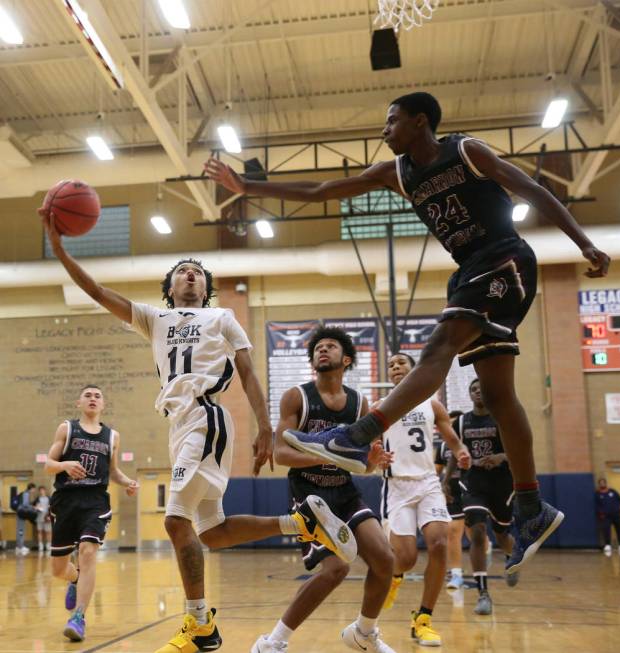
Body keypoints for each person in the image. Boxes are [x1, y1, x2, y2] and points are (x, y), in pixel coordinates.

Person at [206, 91, 611, 574]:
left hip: (505, 258)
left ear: (421, 123)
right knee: (501, 395)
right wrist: (251, 187)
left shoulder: (466, 151)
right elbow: (322, 191)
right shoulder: (396, 172)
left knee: (440, 344)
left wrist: (584, 243)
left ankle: (360, 431)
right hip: (470, 270)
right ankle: (530, 506)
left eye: (392, 121)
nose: (385, 129)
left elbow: (533, 191)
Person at [42, 214, 357, 653]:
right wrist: (59, 249)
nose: (189, 275)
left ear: (205, 288)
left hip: (206, 418)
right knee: (211, 532)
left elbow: (247, 370)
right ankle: (300, 522)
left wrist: (266, 426)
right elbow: (96, 291)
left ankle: (199, 624)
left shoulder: (223, 316)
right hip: (180, 425)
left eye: (197, 273)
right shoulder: (153, 319)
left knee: (174, 520)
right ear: (170, 288)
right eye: (181, 272)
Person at [254, 326, 394, 653]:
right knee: (336, 569)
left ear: (345, 359)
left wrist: (373, 460)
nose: (322, 350)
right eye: (318, 347)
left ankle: (363, 633)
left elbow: (363, 462)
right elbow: (281, 452)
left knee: (385, 559)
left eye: (330, 346)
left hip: (344, 492)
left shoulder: (360, 403)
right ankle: (273, 642)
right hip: (308, 495)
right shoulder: (297, 397)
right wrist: (321, 454)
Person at [379, 352, 470, 647]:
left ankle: (423, 620)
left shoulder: (431, 403)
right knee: (405, 558)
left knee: (440, 543)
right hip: (398, 487)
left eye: (401, 363)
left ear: (413, 368)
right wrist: (375, 454)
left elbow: (449, 434)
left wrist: (460, 451)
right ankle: (395, 576)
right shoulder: (380, 407)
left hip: (428, 483)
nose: (395, 368)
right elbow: (369, 441)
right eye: (391, 365)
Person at [45, 384, 139, 641]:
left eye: (97, 396)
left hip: (96, 502)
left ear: (103, 404)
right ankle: (73, 579)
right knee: (57, 569)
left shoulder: (112, 436)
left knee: (87, 551)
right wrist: (64, 464)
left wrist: (128, 482)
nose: (93, 399)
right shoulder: (67, 428)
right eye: (88, 395)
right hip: (65, 501)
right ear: (79, 403)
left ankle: (78, 617)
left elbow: (113, 472)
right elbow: (48, 465)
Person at [445, 379, 518, 616]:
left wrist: (502, 457)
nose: (477, 392)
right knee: (477, 531)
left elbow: (519, 449)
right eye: (473, 389)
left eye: (481, 388)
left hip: (501, 483)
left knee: (501, 533)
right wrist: (447, 480)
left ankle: (511, 554)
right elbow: (455, 452)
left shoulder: (502, 417)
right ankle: (483, 594)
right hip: (473, 483)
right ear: (470, 395)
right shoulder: (463, 421)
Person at [435, 410, 466, 590]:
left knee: (473, 532)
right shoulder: (442, 448)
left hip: (471, 490)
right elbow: (435, 472)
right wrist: (441, 488)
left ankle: (486, 546)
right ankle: (456, 574)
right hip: (452, 492)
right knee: (453, 531)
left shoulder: (467, 444)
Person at [595, 478, 620, 557]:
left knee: (619, 529)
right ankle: (608, 545)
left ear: (606, 483)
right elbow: (597, 505)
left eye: (603, 482)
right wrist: (600, 513)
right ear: (599, 484)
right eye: (600, 483)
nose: (602, 484)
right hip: (606, 516)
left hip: (616, 514)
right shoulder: (598, 494)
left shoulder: (613, 491)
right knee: (606, 530)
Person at [15, 482, 36, 555]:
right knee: (21, 530)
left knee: (20, 530)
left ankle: (18, 547)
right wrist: (33, 507)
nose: (34, 491)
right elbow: (25, 505)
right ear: (32, 488)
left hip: (20, 514)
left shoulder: (24, 493)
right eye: (34, 489)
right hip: (21, 514)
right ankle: (20, 547)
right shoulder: (26, 494)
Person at [34, 486, 52, 553]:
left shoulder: (49, 498)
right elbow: (34, 506)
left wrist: (49, 515)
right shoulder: (37, 499)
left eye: (43, 490)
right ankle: (40, 545)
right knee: (39, 531)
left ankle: (48, 545)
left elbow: (52, 507)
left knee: (48, 532)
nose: (42, 491)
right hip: (39, 517)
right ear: (39, 491)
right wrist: (36, 507)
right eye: (40, 490)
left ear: (45, 491)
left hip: (47, 517)